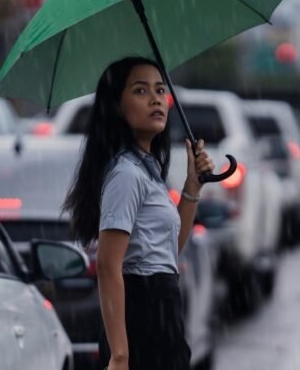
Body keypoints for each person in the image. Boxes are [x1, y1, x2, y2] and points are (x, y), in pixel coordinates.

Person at [63, 56, 215, 370]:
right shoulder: (126, 174)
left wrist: (192, 187)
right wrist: (120, 355)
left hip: (163, 317)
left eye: (160, 90)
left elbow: (169, 251)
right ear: (117, 106)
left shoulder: (147, 171)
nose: (156, 99)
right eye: (141, 91)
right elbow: (107, 264)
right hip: (142, 320)